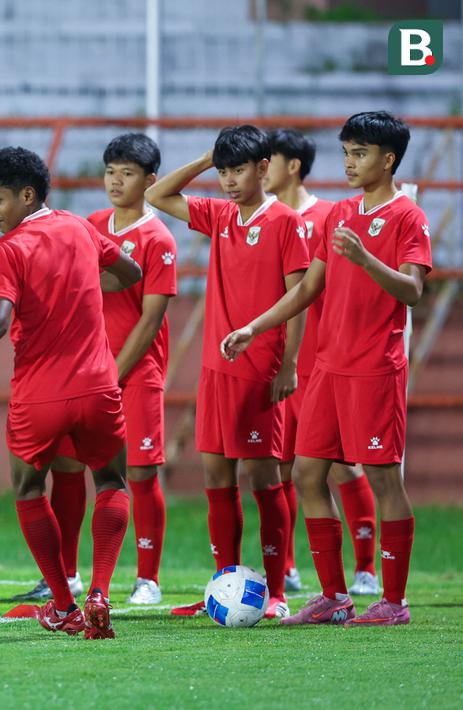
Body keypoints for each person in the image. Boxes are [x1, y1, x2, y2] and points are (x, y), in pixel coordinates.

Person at [223, 111, 430, 626]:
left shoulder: (408, 217)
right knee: (309, 473)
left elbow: (413, 290)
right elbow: (308, 288)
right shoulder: (338, 215)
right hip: (328, 368)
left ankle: (394, 602)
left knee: (383, 480)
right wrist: (254, 327)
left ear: (388, 159)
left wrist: (365, 261)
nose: (350, 163)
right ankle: (335, 597)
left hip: (375, 369)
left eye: (360, 153)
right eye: (346, 152)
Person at [0, 147, 141, 639]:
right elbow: (131, 271)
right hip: (98, 386)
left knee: (29, 490)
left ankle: (65, 604)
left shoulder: (9, 249)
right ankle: (101, 592)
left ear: (27, 195)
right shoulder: (79, 227)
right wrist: (81, 285)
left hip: (40, 394)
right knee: (111, 482)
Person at [146, 125, 308, 620]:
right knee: (216, 475)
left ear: (264, 169)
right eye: (223, 171)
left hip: (261, 368)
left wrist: (287, 363)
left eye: (238, 170)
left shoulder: (285, 221)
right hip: (216, 369)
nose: (229, 181)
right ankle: (225, 584)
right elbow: (155, 194)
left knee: (263, 477)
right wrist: (204, 158)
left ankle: (276, 591)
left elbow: (299, 297)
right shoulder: (219, 215)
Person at [13, 133, 178, 606]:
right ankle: (65, 575)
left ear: (149, 180)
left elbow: (150, 319)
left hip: (134, 372)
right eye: (110, 171)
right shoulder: (90, 225)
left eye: (127, 173)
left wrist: (113, 370)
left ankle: (147, 577)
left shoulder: (158, 239)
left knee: (139, 475)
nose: (115, 181)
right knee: (66, 468)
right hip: (84, 374)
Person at [265, 127, 379, 597]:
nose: (258, 170)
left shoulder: (329, 216)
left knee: (342, 465)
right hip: (278, 357)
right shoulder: (261, 218)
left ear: (292, 165)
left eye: (266, 161)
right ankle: (289, 566)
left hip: (323, 359)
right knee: (287, 464)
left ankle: (367, 568)